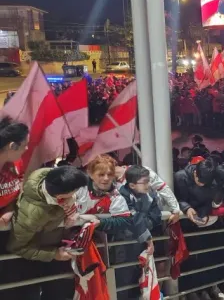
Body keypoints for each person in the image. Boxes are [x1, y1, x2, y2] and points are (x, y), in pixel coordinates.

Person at [7, 166, 88, 300]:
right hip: (32, 260)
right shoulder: (32, 216)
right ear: (60, 196)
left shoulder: (44, 175)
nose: (76, 194)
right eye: (74, 191)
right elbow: (16, 247)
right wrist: (54, 254)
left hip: (55, 247)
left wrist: (71, 203)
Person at [76, 155, 132, 235]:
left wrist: (100, 222)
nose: (106, 178)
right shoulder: (78, 189)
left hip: (100, 238)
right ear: (90, 174)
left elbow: (124, 220)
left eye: (109, 174)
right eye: (101, 175)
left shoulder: (116, 196)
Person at [115, 164, 182, 224]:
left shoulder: (141, 173)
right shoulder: (118, 189)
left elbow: (162, 187)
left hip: (151, 219)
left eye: (148, 181)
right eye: (103, 174)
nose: (105, 178)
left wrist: (175, 209)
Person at [118, 165, 160, 254]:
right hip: (124, 242)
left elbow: (156, 215)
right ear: (132, 185)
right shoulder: (121, 196)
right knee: (127, 266)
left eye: (149, 181)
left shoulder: (150, 194)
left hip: (146, 237)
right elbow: (132, 218)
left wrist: (144, 224)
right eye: (145, 182)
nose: (149, 185)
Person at [0, 117, 29, 230]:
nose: (27, 148)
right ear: (12, 146)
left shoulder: (16, 162)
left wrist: (9, 210)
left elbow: (20, 179)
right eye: (24, 145)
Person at [173, 156, 218, 225]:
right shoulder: (180, 177)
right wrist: (187, 208)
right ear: (195, 173)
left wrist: (203, 214)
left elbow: (208, 202)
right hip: (181, 218)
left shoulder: (212, 182)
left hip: (199, 218)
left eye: (205, 183)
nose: (202, 184)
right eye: (200, 181)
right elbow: (176, 198)